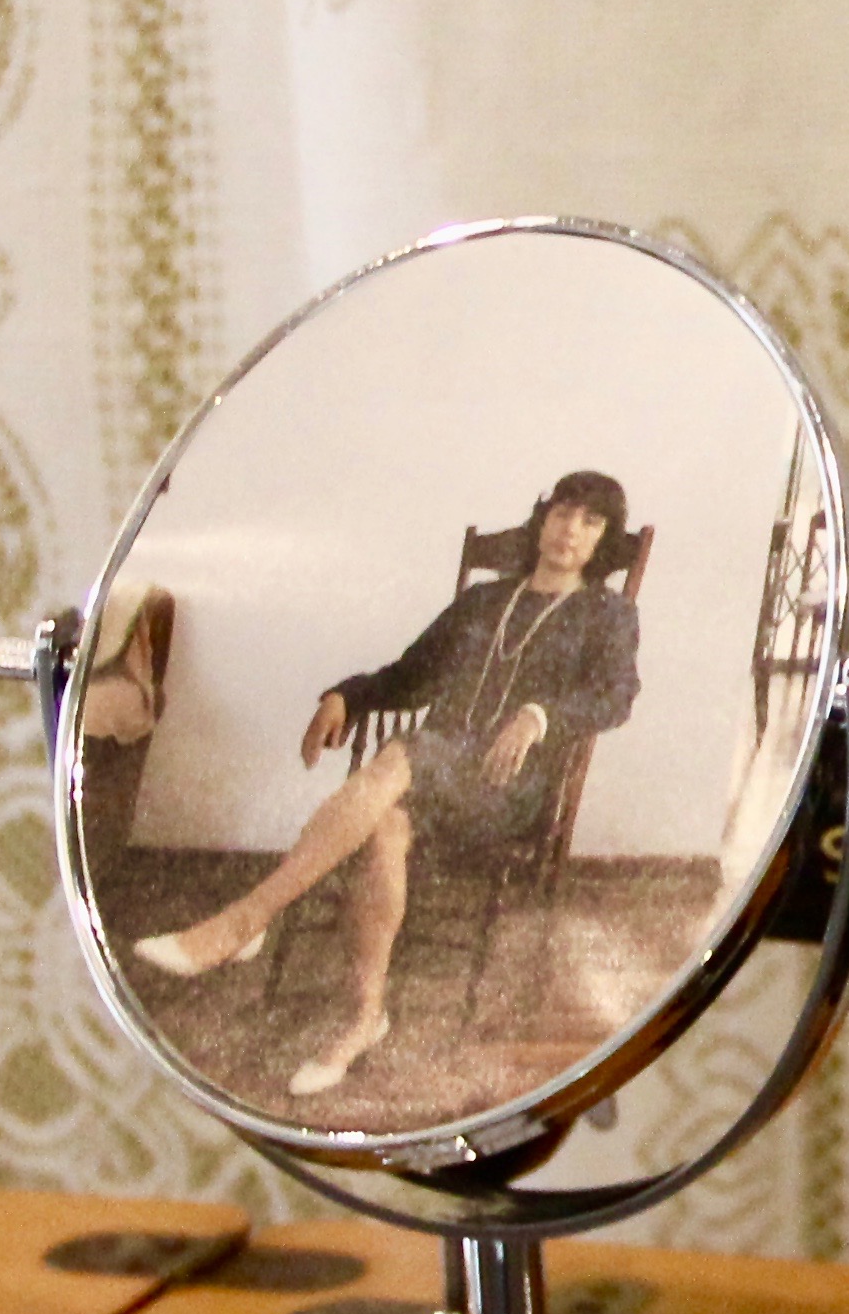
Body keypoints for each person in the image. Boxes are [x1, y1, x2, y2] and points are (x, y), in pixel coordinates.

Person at [127, 470, 641, 1100]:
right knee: (385, 824)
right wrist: (346, 696)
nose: (571, 530)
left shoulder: (607, 615)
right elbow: (410, 675)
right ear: (543, 518)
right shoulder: (485, 601)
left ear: (605, 540)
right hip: (431, 775)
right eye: (563, 512)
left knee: (402, 755)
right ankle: (364, 1019)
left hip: (506, 790)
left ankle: (244, 921)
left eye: (591, 521)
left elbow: (616, 697)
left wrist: (539, 715)